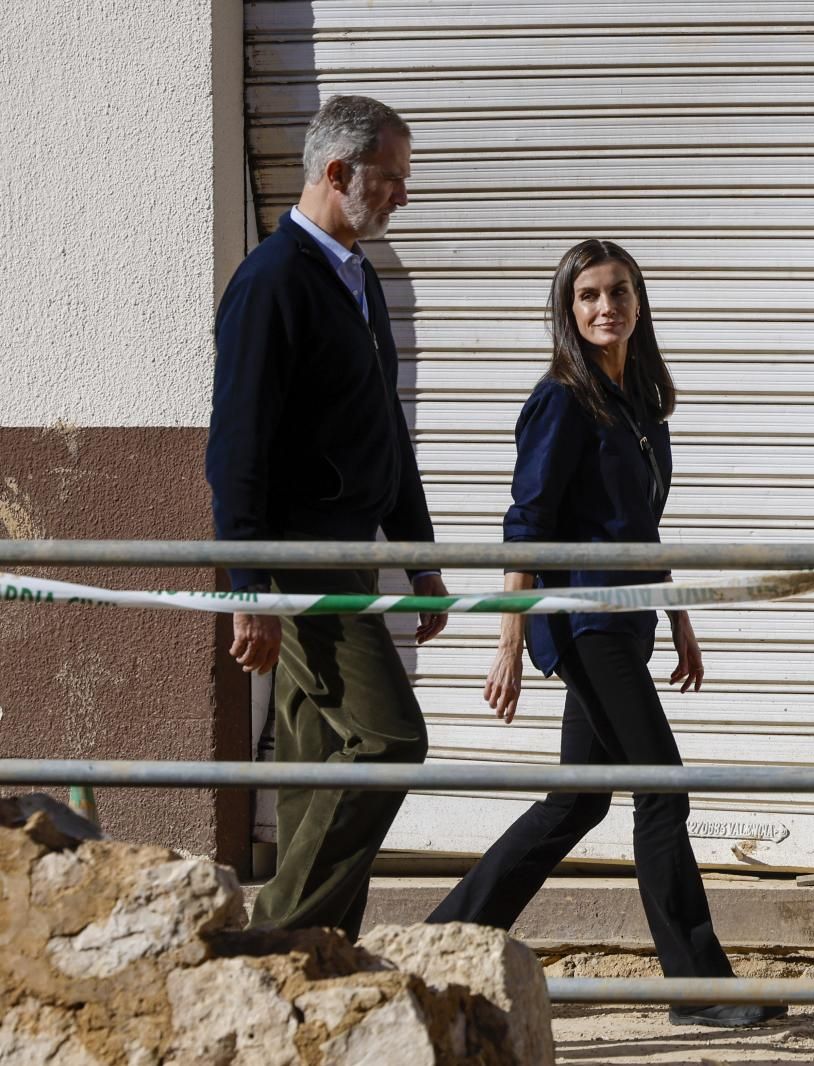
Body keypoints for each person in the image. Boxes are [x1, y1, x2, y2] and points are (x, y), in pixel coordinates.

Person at [426, 240, 784, 1029]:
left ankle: (443, 938)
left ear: (639, 302)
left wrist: (681, 613)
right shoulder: (561, 398)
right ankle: (698, 991)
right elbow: (528, 526)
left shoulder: (639, 402)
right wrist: (511, 640)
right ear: (568, 309)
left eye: (618, 291)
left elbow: (641, 528)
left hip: (629, 618)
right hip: (583, 621)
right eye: (588, 295)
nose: (605, 307)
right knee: (663, 788)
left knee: (576, 802)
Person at [205, 95, 449, 941]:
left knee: (315, 772)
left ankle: (322, 957)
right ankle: (266, 940)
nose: (403, 199)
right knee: (387, 743)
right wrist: (250, 585)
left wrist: (419, 558)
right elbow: (237, 443)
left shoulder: (358, 280)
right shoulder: (272, 282)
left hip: (350, 555)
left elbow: (386, 428)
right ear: (337, 173)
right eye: (392, 180)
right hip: (300, 560)